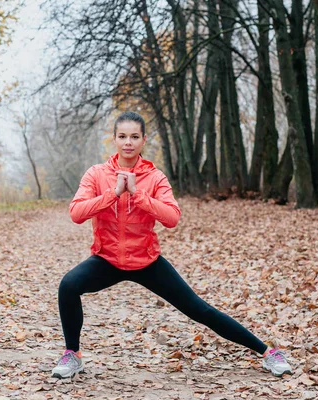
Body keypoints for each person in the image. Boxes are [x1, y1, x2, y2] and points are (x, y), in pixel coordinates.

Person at [51, 111, 292, 379]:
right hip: (107, 260)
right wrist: (113, 193)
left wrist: (138, 195)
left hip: (147, 261)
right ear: (115, 140)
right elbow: (76, 213)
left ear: (143, 140)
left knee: (199, 309)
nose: (128, 142)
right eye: (122, 136)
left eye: (134, 136)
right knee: (68, 285)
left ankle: (268, 352)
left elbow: (172, 217)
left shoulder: (155, 178)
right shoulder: (97, 174)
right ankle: (73, 354)